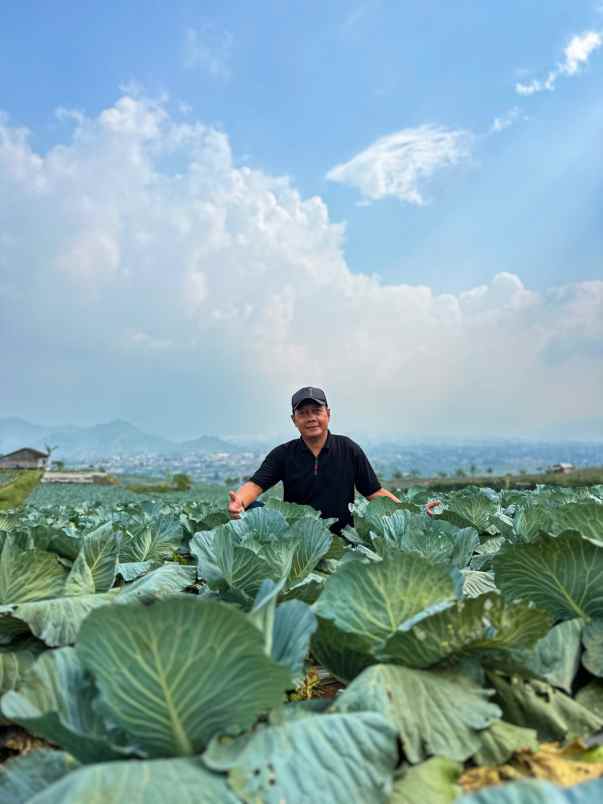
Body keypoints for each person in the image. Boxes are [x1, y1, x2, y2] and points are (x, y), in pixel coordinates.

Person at [228, 386, 439, 534]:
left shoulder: (348, 449)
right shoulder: (283, 454)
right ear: (294, 420)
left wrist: (415, 511)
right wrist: (240, 503)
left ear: (328, 414)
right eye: (303, 413)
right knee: (253, 507)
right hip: (297, 538)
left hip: (343, 537)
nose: (311, 418)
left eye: (317, 411)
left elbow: (375, 492)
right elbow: (256, 485)